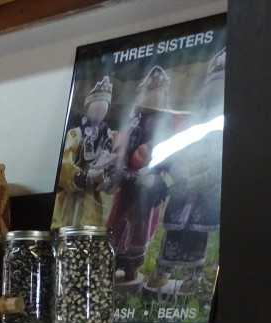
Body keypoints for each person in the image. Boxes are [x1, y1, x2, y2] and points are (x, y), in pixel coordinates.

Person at [153, 47, 225, 292]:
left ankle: (193, 277)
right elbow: (177, 149)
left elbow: (221, 165)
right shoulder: (194, 122)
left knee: (196, 236)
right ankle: (163, 271)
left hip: (203, 194)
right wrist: (179, 168)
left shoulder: (225, 128)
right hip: (183, 189)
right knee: (172, 234)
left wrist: (203, 177)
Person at [103, 66, 174, 285]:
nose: (151, 101)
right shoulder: (131, 126)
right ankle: (113, 263)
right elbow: (119, 156)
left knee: (140, 229)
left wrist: (155, 174)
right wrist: (127, 172)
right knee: (118, 224)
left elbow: (168, 156)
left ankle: (132, 268)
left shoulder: (164, 127)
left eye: (157, 96)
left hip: (148, 189)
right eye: (148, 96)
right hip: (128, 186)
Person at [52, 75, 117, 228]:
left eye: (104, 109)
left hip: (92, 196)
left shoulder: (109, 137)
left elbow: (115, 166)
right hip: (71, 194)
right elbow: (65, 161)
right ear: (87, 107)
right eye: (96, 108)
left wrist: (106, 180)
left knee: (89, 225)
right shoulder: (76, 134)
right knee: (68, 222)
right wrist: (82, 177)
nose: (99, 113)